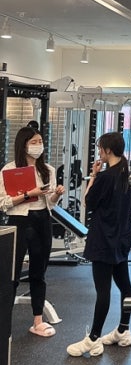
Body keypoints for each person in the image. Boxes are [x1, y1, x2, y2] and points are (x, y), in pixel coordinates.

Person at [66, 132, 131, 357]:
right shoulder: (127, 174)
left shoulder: (106, 177)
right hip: (121, 239)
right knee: (125, 286)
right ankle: (123, 330)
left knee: (103, 291)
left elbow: (88, 201)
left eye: (100, 149)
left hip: (104, 239)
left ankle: (93, 339)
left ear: (108, 150)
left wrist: (94, 176)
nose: (98, 152)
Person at [0, 124, 65, 337]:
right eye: (34, 142)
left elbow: (50, 203)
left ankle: (38, 321)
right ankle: (4, 325)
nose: (38, 145)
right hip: (19, 220)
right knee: (12, 274)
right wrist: (28, 194)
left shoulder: (48, 170)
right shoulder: (9, 169)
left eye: (40, 142)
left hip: (42, 220)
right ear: (24, 145)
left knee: (39, 272)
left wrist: (57, 194)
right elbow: (3, 203)